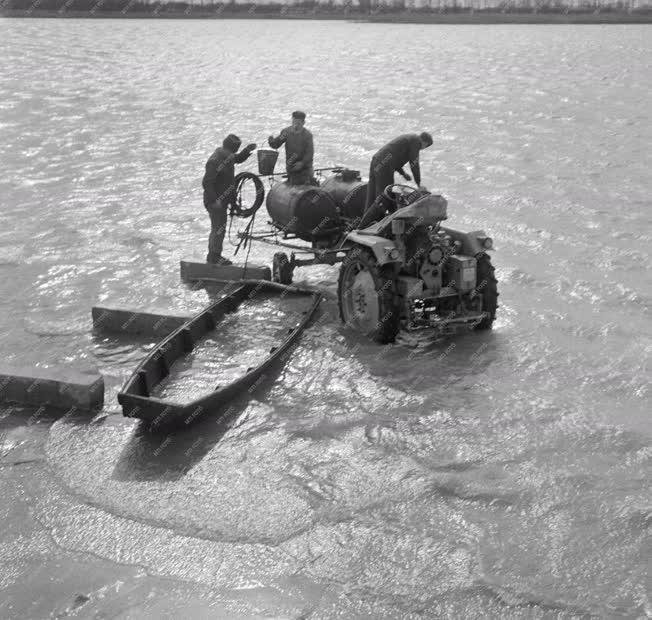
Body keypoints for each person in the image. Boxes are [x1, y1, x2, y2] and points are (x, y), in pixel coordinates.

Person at [202, 134, 256, 264]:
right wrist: (216, 200)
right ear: (228, 149)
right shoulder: (215, 161)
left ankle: (214, 255)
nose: (233, 155)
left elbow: (237, 158)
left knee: (220, 227)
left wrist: (247, 150)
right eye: (233, 152)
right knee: (218, 228)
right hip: (214, 201)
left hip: (223, 200)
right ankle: (214, 257)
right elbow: (206, 183)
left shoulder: (227, 156)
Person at [364, 132, 433, 212]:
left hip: (377, 160)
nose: (423, 148)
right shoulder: (416, 141)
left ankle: (366, 221)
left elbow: (395, 157)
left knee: (371, 194)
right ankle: (383, 218)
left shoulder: (409, 138)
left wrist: (403, 173)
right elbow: (414, 163)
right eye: (426, 146)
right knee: (386, 193)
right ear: (425, 142)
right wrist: (418, 184)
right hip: (385, 165)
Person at [268, 111, 315, 185]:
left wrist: (302, 163)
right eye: (294, 122)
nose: (295, 125)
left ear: (303, 123)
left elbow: (310, 153)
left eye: (298, 123)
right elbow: (276, 144)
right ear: (292, 121)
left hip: (305, 169)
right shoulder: (286, 132)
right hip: (291, 167)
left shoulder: (307, 135)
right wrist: (271, 140)